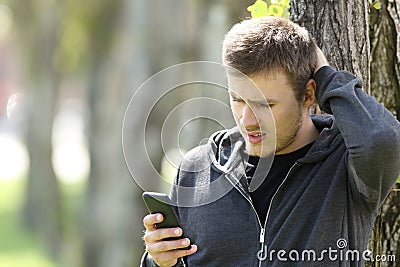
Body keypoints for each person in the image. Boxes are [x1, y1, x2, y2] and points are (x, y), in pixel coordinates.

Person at [141, 16, 400, 266]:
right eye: (237, 100)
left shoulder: (346, 165)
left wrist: (327, 77)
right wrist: (160, 261)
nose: (247, 120)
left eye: (265, 105)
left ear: (309, 94)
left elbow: (384, 140)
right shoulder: (197, 168)